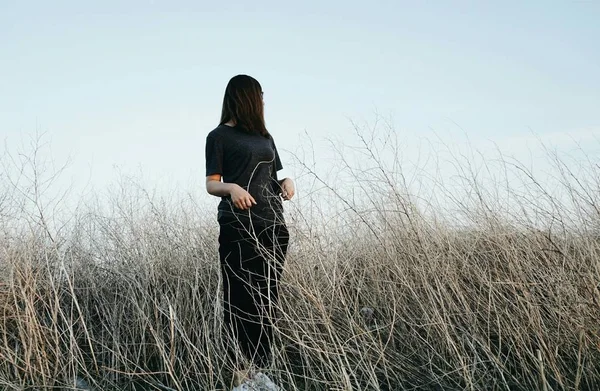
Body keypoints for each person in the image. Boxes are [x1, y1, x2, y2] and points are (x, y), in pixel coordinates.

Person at [205, 74, 295, 390]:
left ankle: (260, 372)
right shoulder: (218, 137)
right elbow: (211, 183)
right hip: (238, 227)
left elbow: (276, 174)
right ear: (247, 97)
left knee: (266, 299)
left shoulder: (265, 137)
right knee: (240, 299)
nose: (264, 100)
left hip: (273, 227)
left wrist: (287, 183)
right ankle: (241, 371)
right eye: (260, 95)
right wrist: (231, 188)